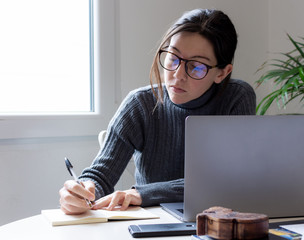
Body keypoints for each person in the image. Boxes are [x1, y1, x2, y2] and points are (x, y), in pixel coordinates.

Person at [59, 8, 256, 215]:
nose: (177, 75)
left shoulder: (236, 98)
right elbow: (101, 175)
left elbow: (227, 179)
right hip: (152, 224)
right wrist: (83, 191)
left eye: (196, 67)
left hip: (218, 223)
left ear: (222, 73)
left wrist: (143, 194)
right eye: (173, 58)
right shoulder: (140, 105)